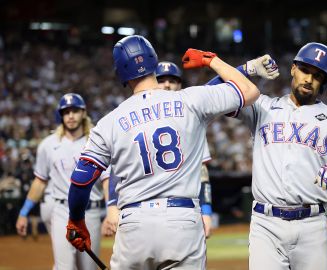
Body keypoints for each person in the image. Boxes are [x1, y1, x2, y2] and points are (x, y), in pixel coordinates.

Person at [65, 35, 260, 270]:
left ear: (120, 74)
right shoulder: (191, 99)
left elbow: (81, 179)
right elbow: (249, 90)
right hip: (182, 220)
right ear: (154, 62)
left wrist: (76, 220)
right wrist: (211, 61)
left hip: (134, 224)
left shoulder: (109, 122)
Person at [208, 42, 327, 270]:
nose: (309, 79)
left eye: (318, 76)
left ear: (324, 82)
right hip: (266, 224)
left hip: (312, 224)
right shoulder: (261, 107)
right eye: (306, 70)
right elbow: (208, 95)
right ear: (293, 68)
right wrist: (246, 69)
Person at [101, 61, 216, 238]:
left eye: (173, 80)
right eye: (161, 79)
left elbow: (202, 172)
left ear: (180, 86)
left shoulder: (193, 121)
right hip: (140, 209)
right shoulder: (132, 116)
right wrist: (112, 205)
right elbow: (119, 166)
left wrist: (206, 211)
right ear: (153, 81)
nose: (167, 84)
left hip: (180, 211)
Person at [16, 93, 109, 270]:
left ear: (83, 113)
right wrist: (23, 212)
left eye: (75, 110)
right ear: (61, 115)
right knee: (64, 268)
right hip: (61, 211)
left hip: (91, 211)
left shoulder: (96, 142)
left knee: (88, 268)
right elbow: (40, 182)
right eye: (66, 112)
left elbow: (107, 179)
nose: (71, 115)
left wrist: (112, 210)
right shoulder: (48, 145)